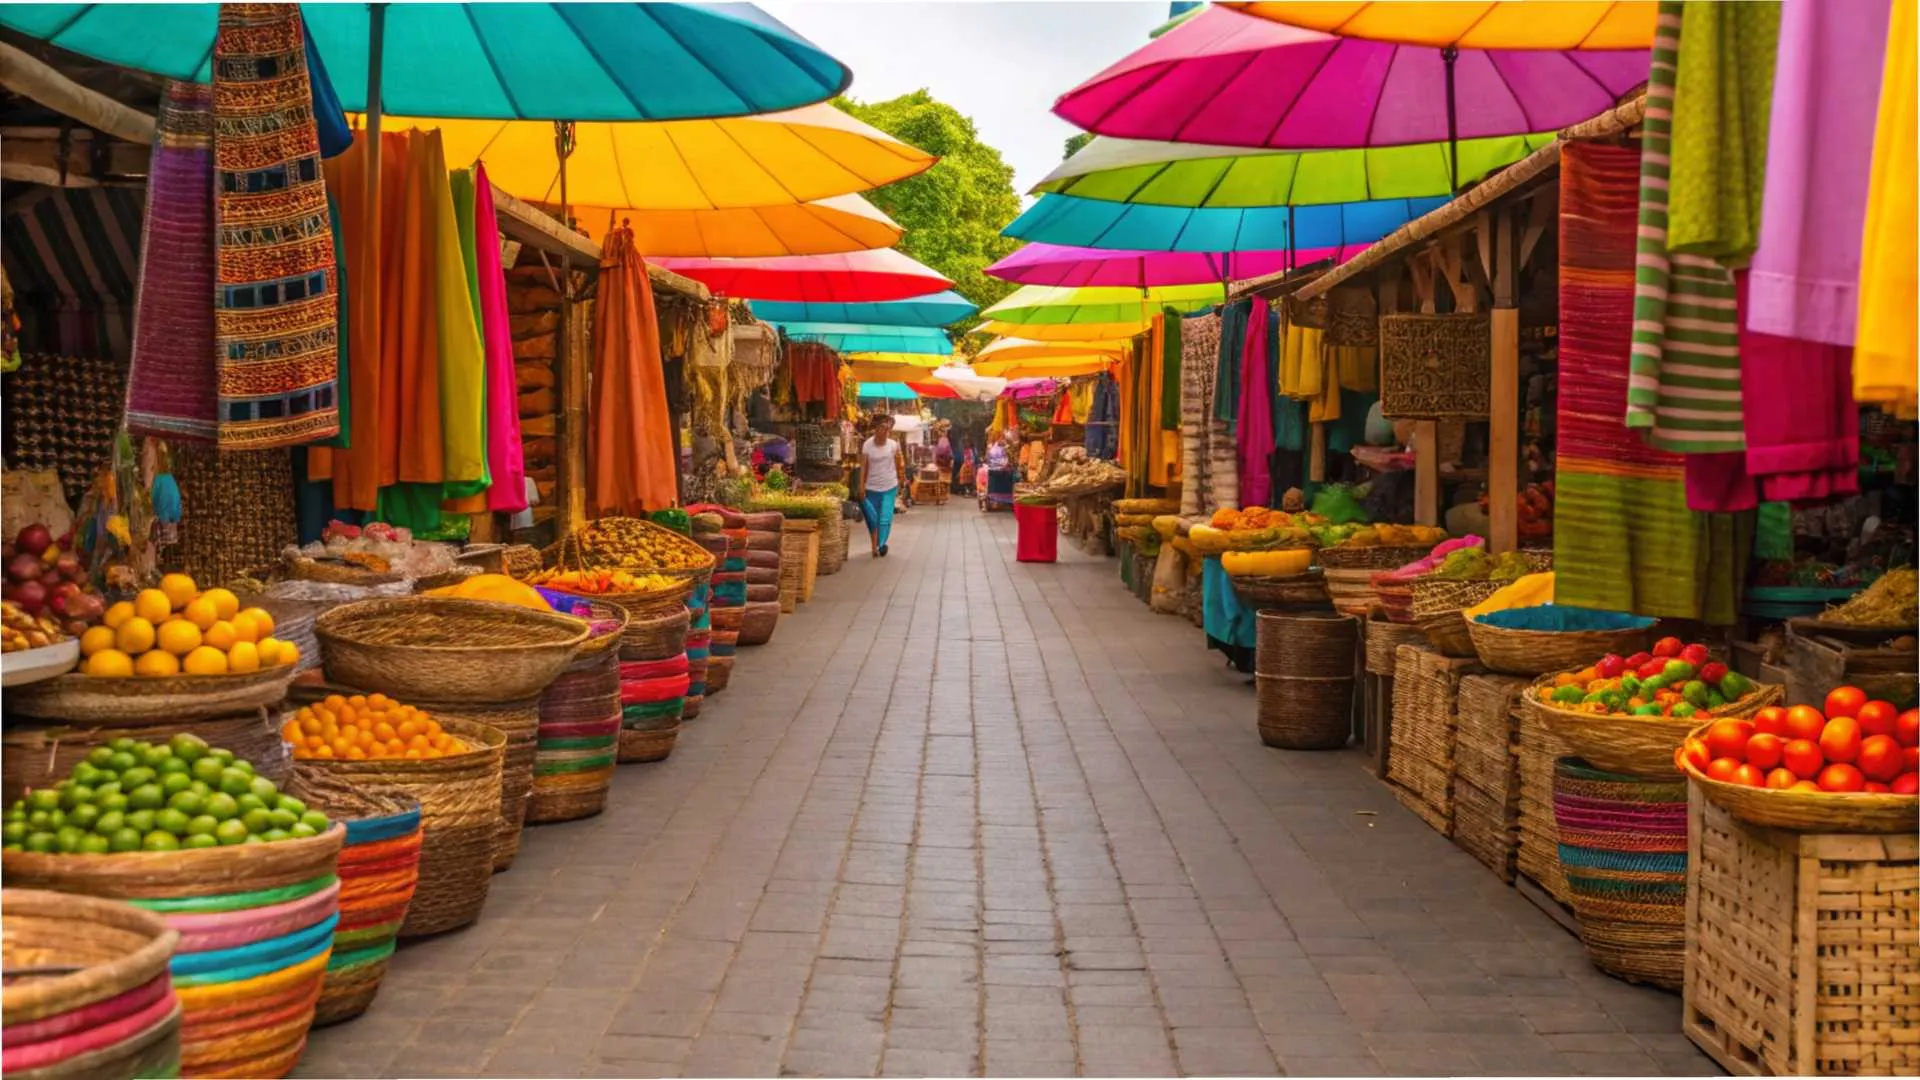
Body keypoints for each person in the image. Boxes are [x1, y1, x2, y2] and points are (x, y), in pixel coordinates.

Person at [860, 413, 906, 556]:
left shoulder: (893, 445)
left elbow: (899, 465)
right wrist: (861, 485)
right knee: (873, 519)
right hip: (871, 487)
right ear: (876, 429)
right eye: (883, 428)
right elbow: (863, 467)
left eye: (888, 429)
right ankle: (875, 545)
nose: (886, 432)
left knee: (885, 518)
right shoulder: (867, 445)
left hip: (889, 486)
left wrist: (901, 480)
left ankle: (880, 545)